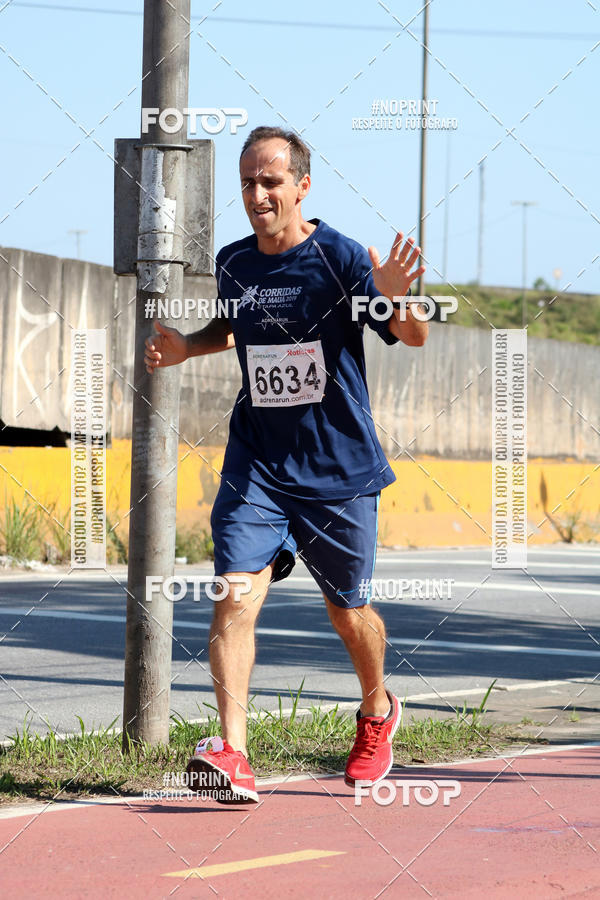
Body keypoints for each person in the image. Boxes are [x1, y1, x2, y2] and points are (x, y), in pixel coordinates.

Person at [144, 125, 428, 803]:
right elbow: (235, 325)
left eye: (271, 181)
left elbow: (411, 334)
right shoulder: (236, 261)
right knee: (234, 594)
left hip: (337, 467)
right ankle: (234, 754)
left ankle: (376, 710)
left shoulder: (341, 257)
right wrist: (189, 347)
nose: (258, 194)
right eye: (247, 182)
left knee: (347, 611)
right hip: (258, 462)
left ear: (303, 184)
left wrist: (397, 293)